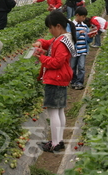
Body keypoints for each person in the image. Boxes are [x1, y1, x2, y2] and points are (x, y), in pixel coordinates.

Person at [32, 11, 77, 153]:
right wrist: (40, 42)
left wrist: (41, 58)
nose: (49, 31)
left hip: (55, 78)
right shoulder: (63, 38)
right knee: (59, 110)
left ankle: (55, 143)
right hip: (61, 79)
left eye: (50, 28)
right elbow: (49, 43)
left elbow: (56, 62)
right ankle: (59, 140)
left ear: (58, 26)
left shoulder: (62, 42)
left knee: (53, 112)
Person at [68, 7, 93, 90]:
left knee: (81, 67)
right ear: (77, 15)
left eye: (85, 17)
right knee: (72, 67)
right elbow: (69, 37)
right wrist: (78, 33)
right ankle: (74, 81)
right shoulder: (71, 25)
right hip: (74, 50)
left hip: (83, 50)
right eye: (83, 17)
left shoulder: (85, 26)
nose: (84, 18)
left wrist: (91, 37)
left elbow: (88, 40)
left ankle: (80, 82)